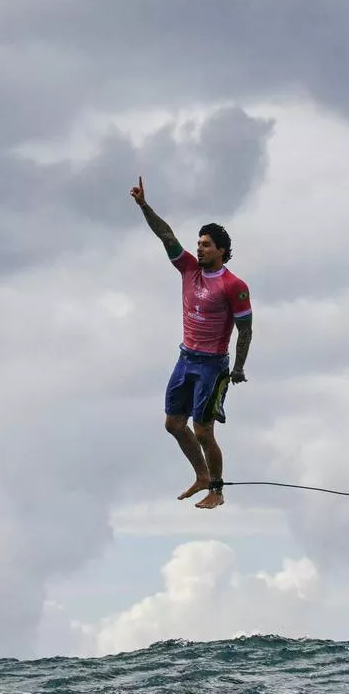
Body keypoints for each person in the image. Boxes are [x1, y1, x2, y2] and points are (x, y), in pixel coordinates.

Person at [130, 176, 252, 510]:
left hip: (213, 365)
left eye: (206, 245)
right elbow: (165, 234)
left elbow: (246, 329)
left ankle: (217, 489)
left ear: (222, 251)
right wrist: (144, 206)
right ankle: (200, 475)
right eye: (198, 243)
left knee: (203, 430)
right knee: (173, 424)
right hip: (186, 358)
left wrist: (238, 368)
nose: (199, 248)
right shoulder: (188, 269)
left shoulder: (233, 285)